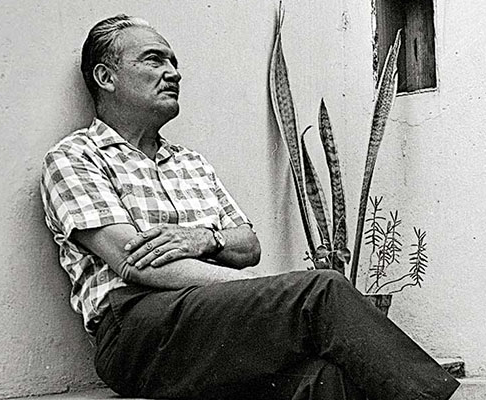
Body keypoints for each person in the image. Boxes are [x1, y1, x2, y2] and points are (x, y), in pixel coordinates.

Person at [40, 14, 460, 400]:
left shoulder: (190, 162)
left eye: (174, 62)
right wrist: (265, 290)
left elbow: (247, 244)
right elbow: (138, 264)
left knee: (323, 379)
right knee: (322, 290)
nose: (174, 72)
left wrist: (205, 239)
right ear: (106, 77)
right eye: (154, 60)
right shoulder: (75, 157)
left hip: (214, 320)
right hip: (134, 330)